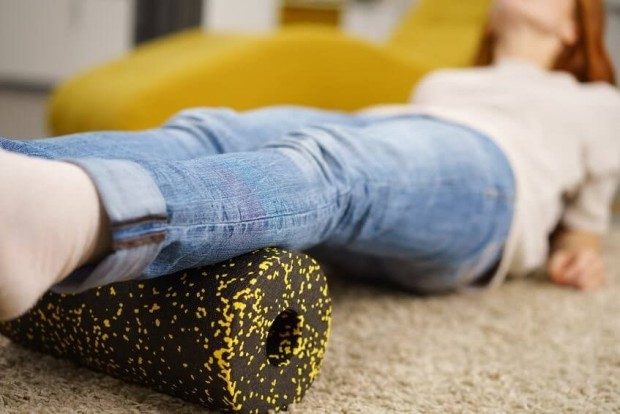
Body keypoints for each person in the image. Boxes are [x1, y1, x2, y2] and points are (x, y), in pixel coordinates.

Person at [0, 0, 618, 321]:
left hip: (488, 183)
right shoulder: (445, 78)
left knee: (333, 164)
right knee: (217, 127)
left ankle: (75, 217)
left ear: (574, 28)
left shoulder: (593, 100)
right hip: (388, 138)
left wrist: (581, 247)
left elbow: (590, 215)